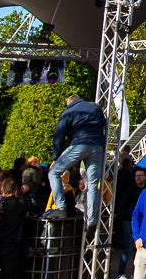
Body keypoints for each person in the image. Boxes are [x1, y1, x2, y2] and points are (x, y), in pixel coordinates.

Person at [46, 93, 107, 224]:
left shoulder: (68, 111)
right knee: (92, 184)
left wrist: (56, 157)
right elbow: (104, 125)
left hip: (79, 144)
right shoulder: (95, 107)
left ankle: (61, 207)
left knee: (53, 172)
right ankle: (91, 220)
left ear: (69, 103)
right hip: (97, 147)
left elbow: (59, 135)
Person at [113, 162, 146, 279]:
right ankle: (120, 274)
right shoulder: (130, 190)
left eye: (140, 175)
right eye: (136, 175)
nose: (138, 178)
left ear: (145, 176)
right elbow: (123, 206)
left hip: (142, 223)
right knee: (128, 247)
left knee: (139, 249)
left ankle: (136, 273)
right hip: (130, 221)